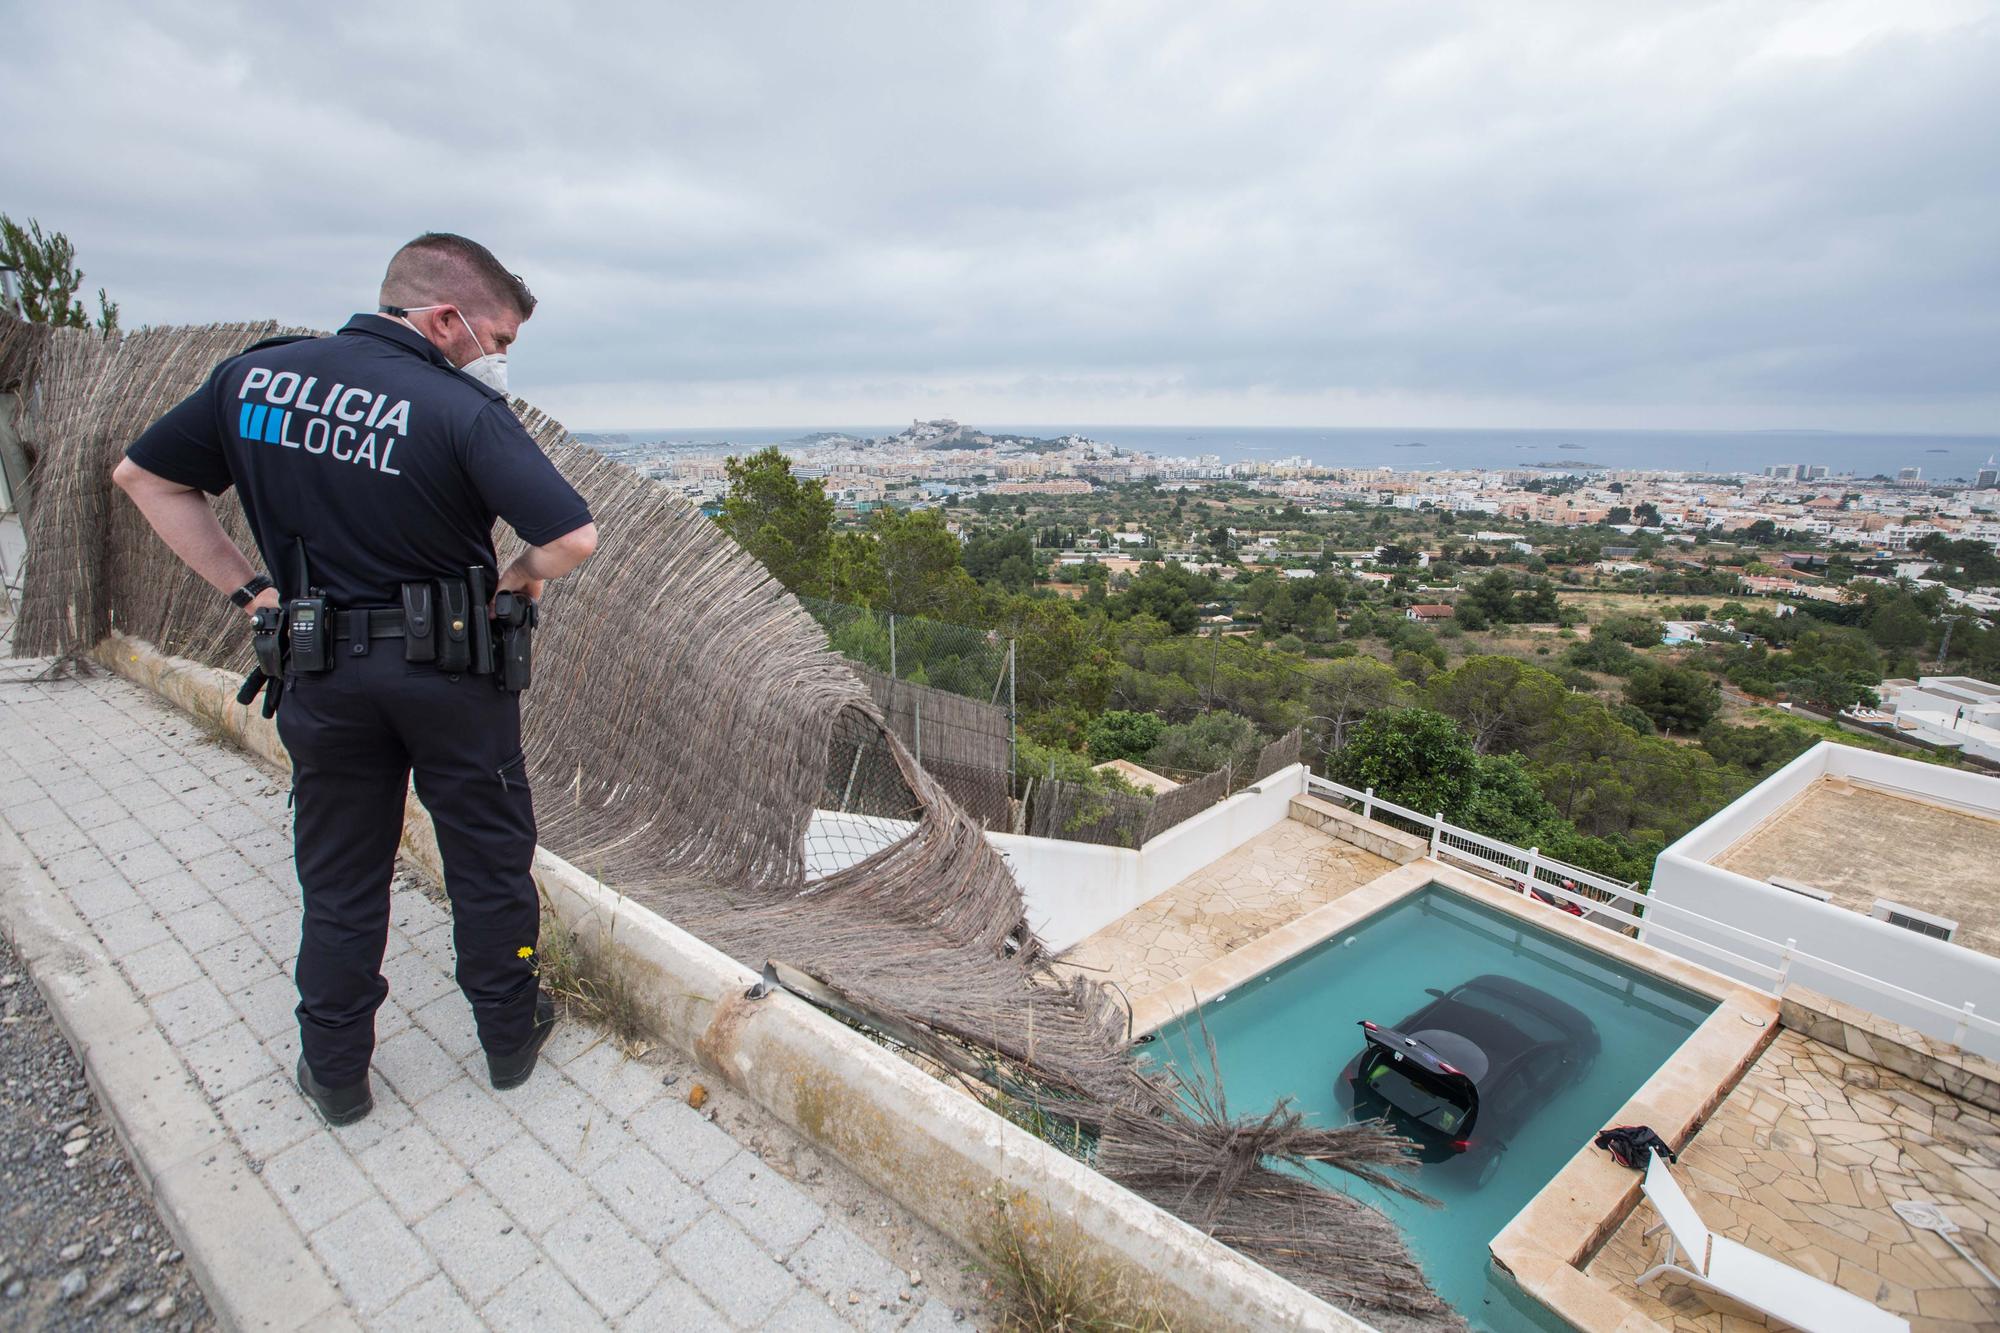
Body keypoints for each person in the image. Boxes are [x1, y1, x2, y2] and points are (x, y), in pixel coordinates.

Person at [112, 232, 597, 1126]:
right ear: (446, 319)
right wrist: (518, 577)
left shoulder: (252, 381)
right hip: (452, 676)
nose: (496, 361)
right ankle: (507, 1038)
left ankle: (335, 1069)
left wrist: (250, 591)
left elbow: (143, 477)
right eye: (497, 341)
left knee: (338, 875)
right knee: (487, 863)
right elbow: (571, 538)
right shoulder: (457, 407)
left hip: (321, 667)